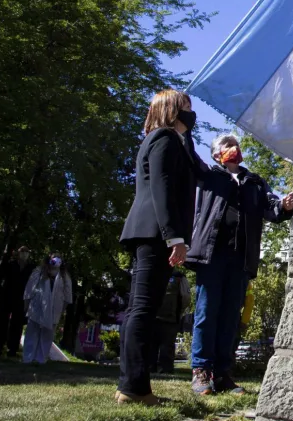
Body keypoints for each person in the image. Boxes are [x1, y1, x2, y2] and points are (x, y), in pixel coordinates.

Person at [185, 133, 293, 396]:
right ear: (216, 154)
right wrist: (184, 131)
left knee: (230, 317)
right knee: (206, 312)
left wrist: (285, 206)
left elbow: (272, 209)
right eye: (227, 145)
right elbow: (189, 157)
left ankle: (222, 373)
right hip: (212, 254)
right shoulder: (210, 175)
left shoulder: (254, 181)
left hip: (241, 258)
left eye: (236, 145)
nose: (234, 148)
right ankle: (201, 371)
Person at [116, 89, 198, 406]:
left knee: (140, 309)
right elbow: (161, 187)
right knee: (143, 309)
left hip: (152, 233)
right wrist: (174, 237)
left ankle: (130, 385)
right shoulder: (164, 137)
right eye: (186, 107)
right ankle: (134, 389)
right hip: (155, 234)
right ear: (172, 110)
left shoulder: (174, 141)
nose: (191, 113)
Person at [22, 254, 72, 364]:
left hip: (54, 309)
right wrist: (26, 305)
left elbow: (67, 296)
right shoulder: (39, 271)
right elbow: (29, 289)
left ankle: (41, 359)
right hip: (37, 307)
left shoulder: (64, 276)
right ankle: (28, 358)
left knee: (47, 336)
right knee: (32, 333)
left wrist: (62, 310)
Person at [0, 246, 35, 357]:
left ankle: (12, 349)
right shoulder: (10, 265)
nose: (24, 254)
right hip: (6, 297)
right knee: (1, 323)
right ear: (18, 253)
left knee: (17, 324)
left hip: (21, 299)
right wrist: (0, 292)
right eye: (22, 252)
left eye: (26, 252)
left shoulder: (31, 268)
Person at [151, 269, 190, 374]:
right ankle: (165, 368)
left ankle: (151, 367)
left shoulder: (151, 271)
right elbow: (186, 297)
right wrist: (180, 311)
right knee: (167, 344)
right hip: (171, 317)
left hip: (154, 316)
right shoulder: (179, 277)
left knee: (152, 343)